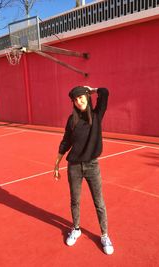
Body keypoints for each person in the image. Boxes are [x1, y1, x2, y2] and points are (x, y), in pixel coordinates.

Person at [53, 85, 114, 255]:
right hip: (74, 167)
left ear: (87, 97)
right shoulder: (71, 120)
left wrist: (92, 90)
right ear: (73, 102)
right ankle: (76, 228)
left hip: (92, 166)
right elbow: (66, 142)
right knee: (75, 200)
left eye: (82, 97)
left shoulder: (96, 115)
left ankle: (104, 235)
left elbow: (105, 92)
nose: (79, 101)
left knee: (99, 202)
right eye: (76, 99)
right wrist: (56, 164)